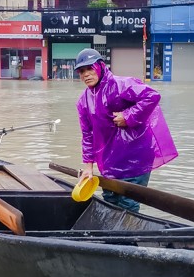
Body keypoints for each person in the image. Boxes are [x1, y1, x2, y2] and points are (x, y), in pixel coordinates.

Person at [75, 48, 178, 212]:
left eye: (90, 68)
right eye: (81, 71)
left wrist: (128, 116)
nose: (86, 74)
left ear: (100, 66)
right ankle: (113, 236)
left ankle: (128, 237)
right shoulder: (83, 102)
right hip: (109, 160)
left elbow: (152, 96)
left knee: (128, 204)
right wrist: (88, 167)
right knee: (109, 200)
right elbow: (88, 135)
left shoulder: (121, 84)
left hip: (136, 155)